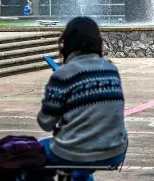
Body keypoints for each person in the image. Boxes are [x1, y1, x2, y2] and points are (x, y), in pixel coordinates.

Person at [37, 17, 128, 181]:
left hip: (76, 151)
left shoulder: (63, 74)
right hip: (115, 150)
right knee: (80, 170)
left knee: (30, 155)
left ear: (67, 42)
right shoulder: (110, 69)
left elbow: (46, 122)